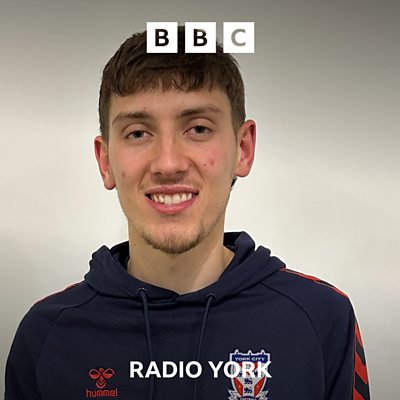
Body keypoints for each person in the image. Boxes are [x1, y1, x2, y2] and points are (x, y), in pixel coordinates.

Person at [5, 26, 370, 400]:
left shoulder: (322, 319)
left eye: (197, 128)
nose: (168, 164)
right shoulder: (45, 336)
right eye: (137, 133)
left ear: (243, 149)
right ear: (105, 161)